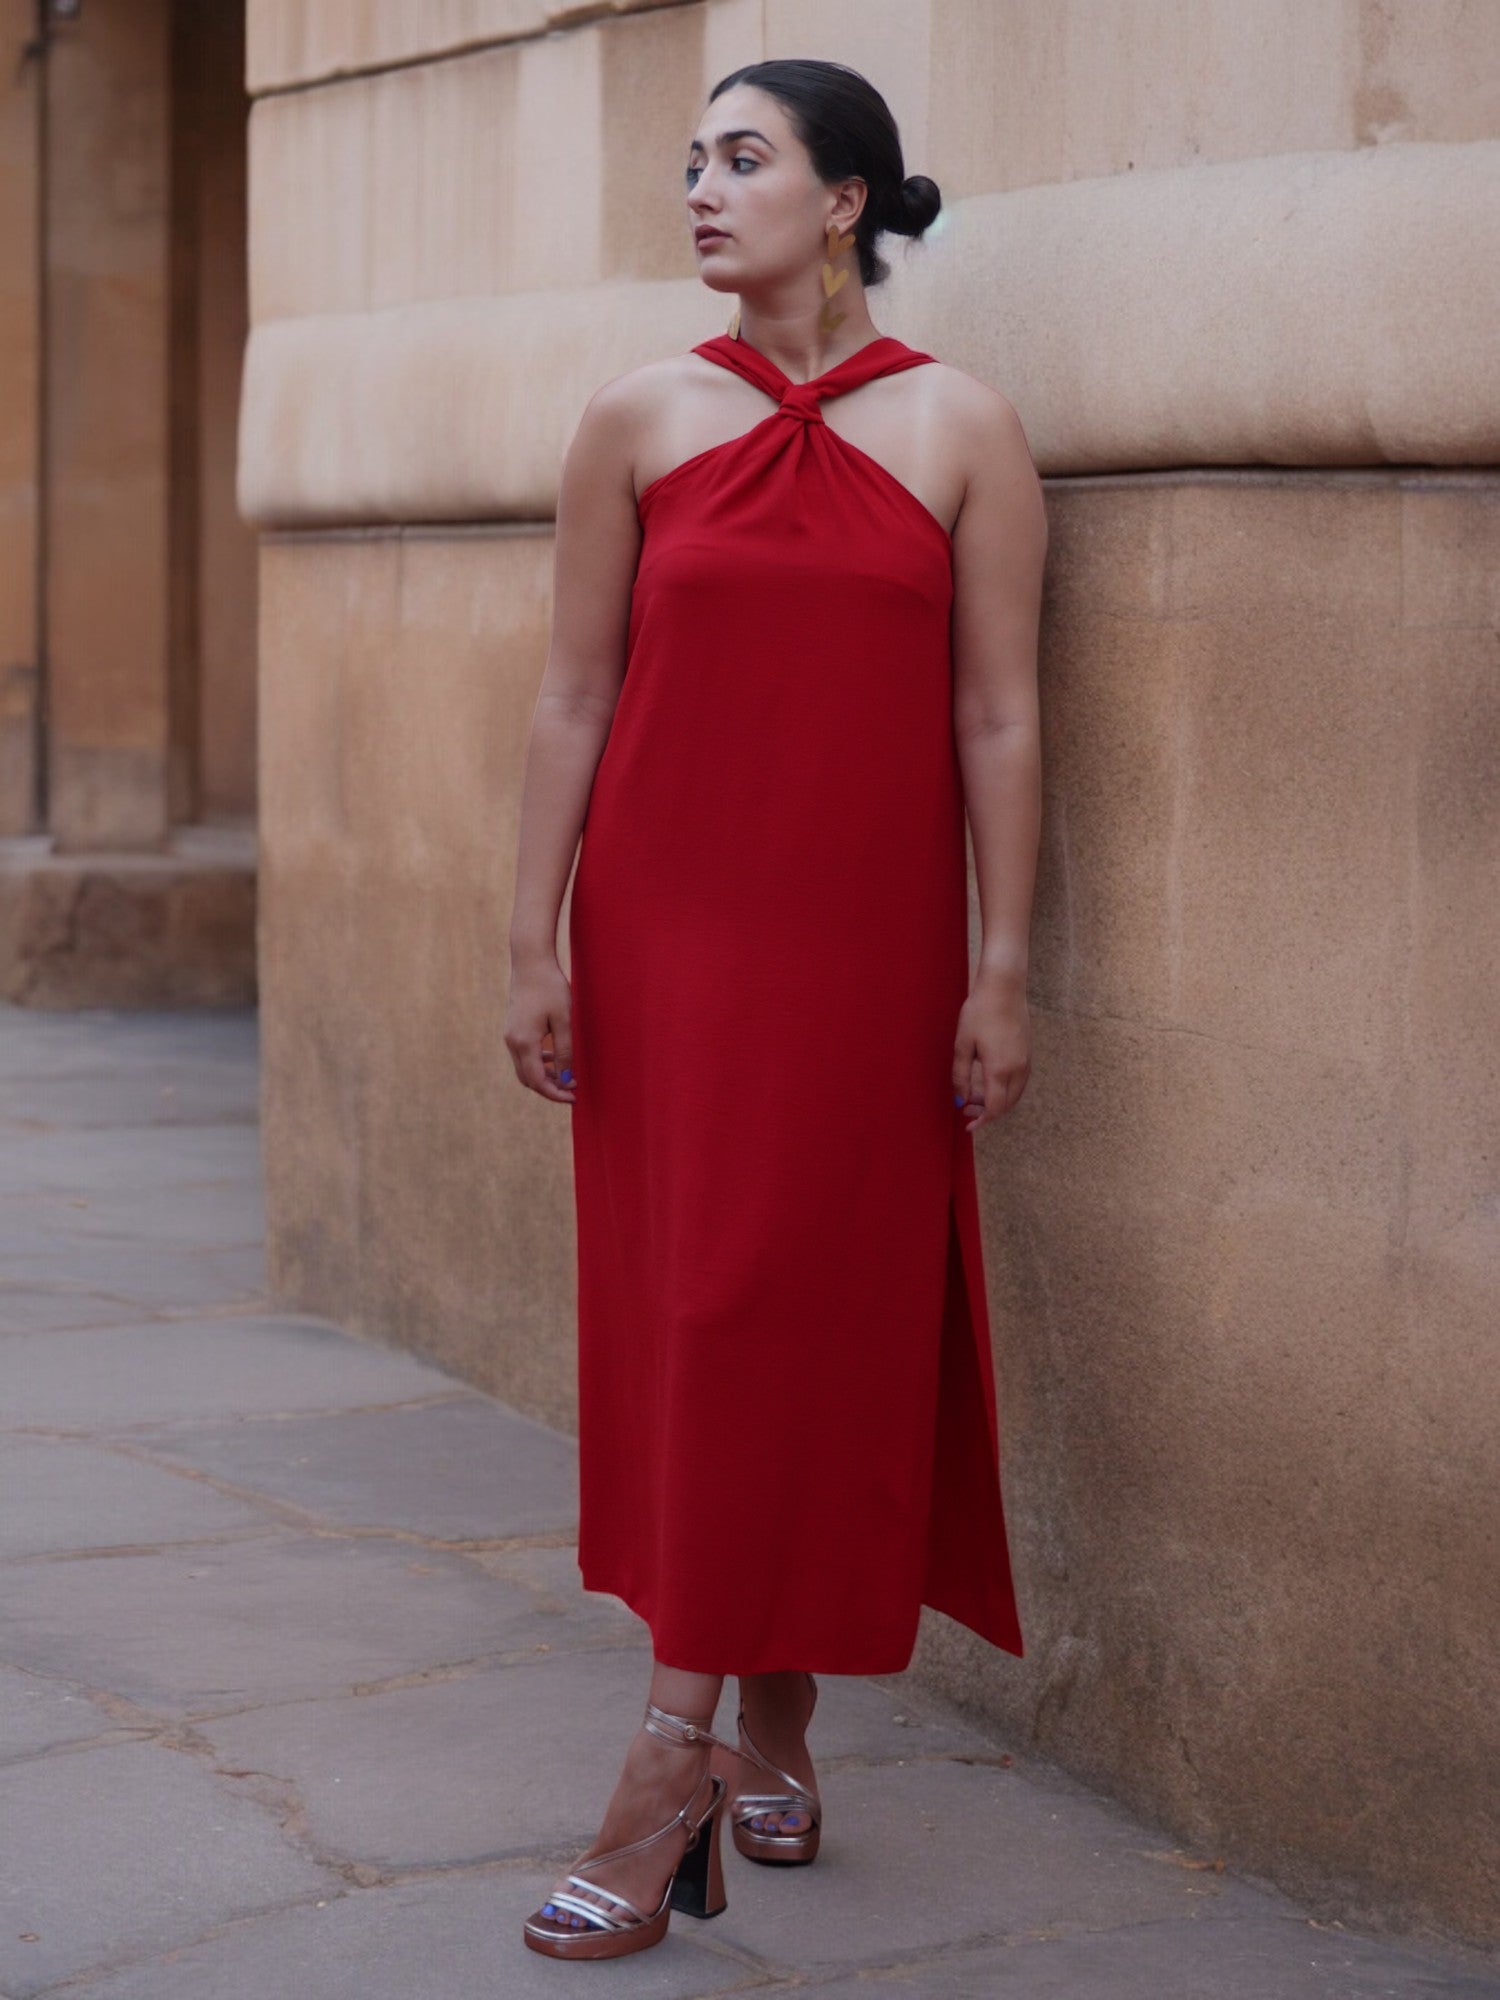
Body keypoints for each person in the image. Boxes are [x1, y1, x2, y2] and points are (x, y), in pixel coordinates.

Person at [504, 56, 1048, 1962]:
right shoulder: (636, 419)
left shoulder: (965, 430)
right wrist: (531, 932)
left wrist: (999, 964)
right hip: (668, 946)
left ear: (848, 202)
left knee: (826, 1316)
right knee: (707, 1316)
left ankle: (779, 1718)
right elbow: (572, 697)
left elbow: (999, 715)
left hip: (866, 954)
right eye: (692, 162)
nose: (703, 190)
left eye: (745, 160)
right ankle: (679, 1757)